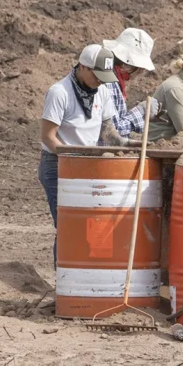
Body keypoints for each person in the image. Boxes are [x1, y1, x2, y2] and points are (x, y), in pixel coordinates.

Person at [38, 45, 119, 231]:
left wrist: (130, 144)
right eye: (96, 75)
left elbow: (108, 132)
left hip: (86, 163)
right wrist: (73, 158)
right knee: (68, 227)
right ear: (83, 66)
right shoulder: (59, 92)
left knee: (86, 224)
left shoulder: (103, 92)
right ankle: (62, 261)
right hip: (57, 165)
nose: (100, 81)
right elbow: (48, 137)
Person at [100, 28, 160, 144]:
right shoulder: (109, 84)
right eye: (140, 69)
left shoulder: (114, 80)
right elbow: (113, 133)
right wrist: (140, 112)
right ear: (128, 65)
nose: (141, 72)